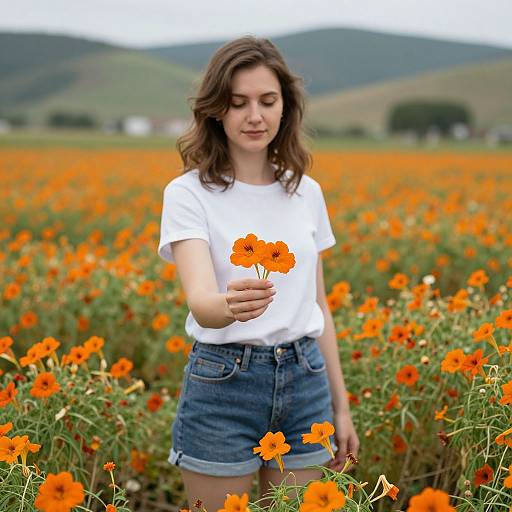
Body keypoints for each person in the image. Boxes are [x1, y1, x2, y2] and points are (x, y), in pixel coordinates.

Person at [157, 35, 359, 511]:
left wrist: (341, 405)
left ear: (285, 107)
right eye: (238, 103)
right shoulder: (188, 194)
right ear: (215, 111)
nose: (255, 116)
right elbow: (202, 303)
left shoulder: (306, 193)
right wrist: (228, 307)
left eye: (268, 101)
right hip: (223, 383)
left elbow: (319, 307)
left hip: (306, 379)